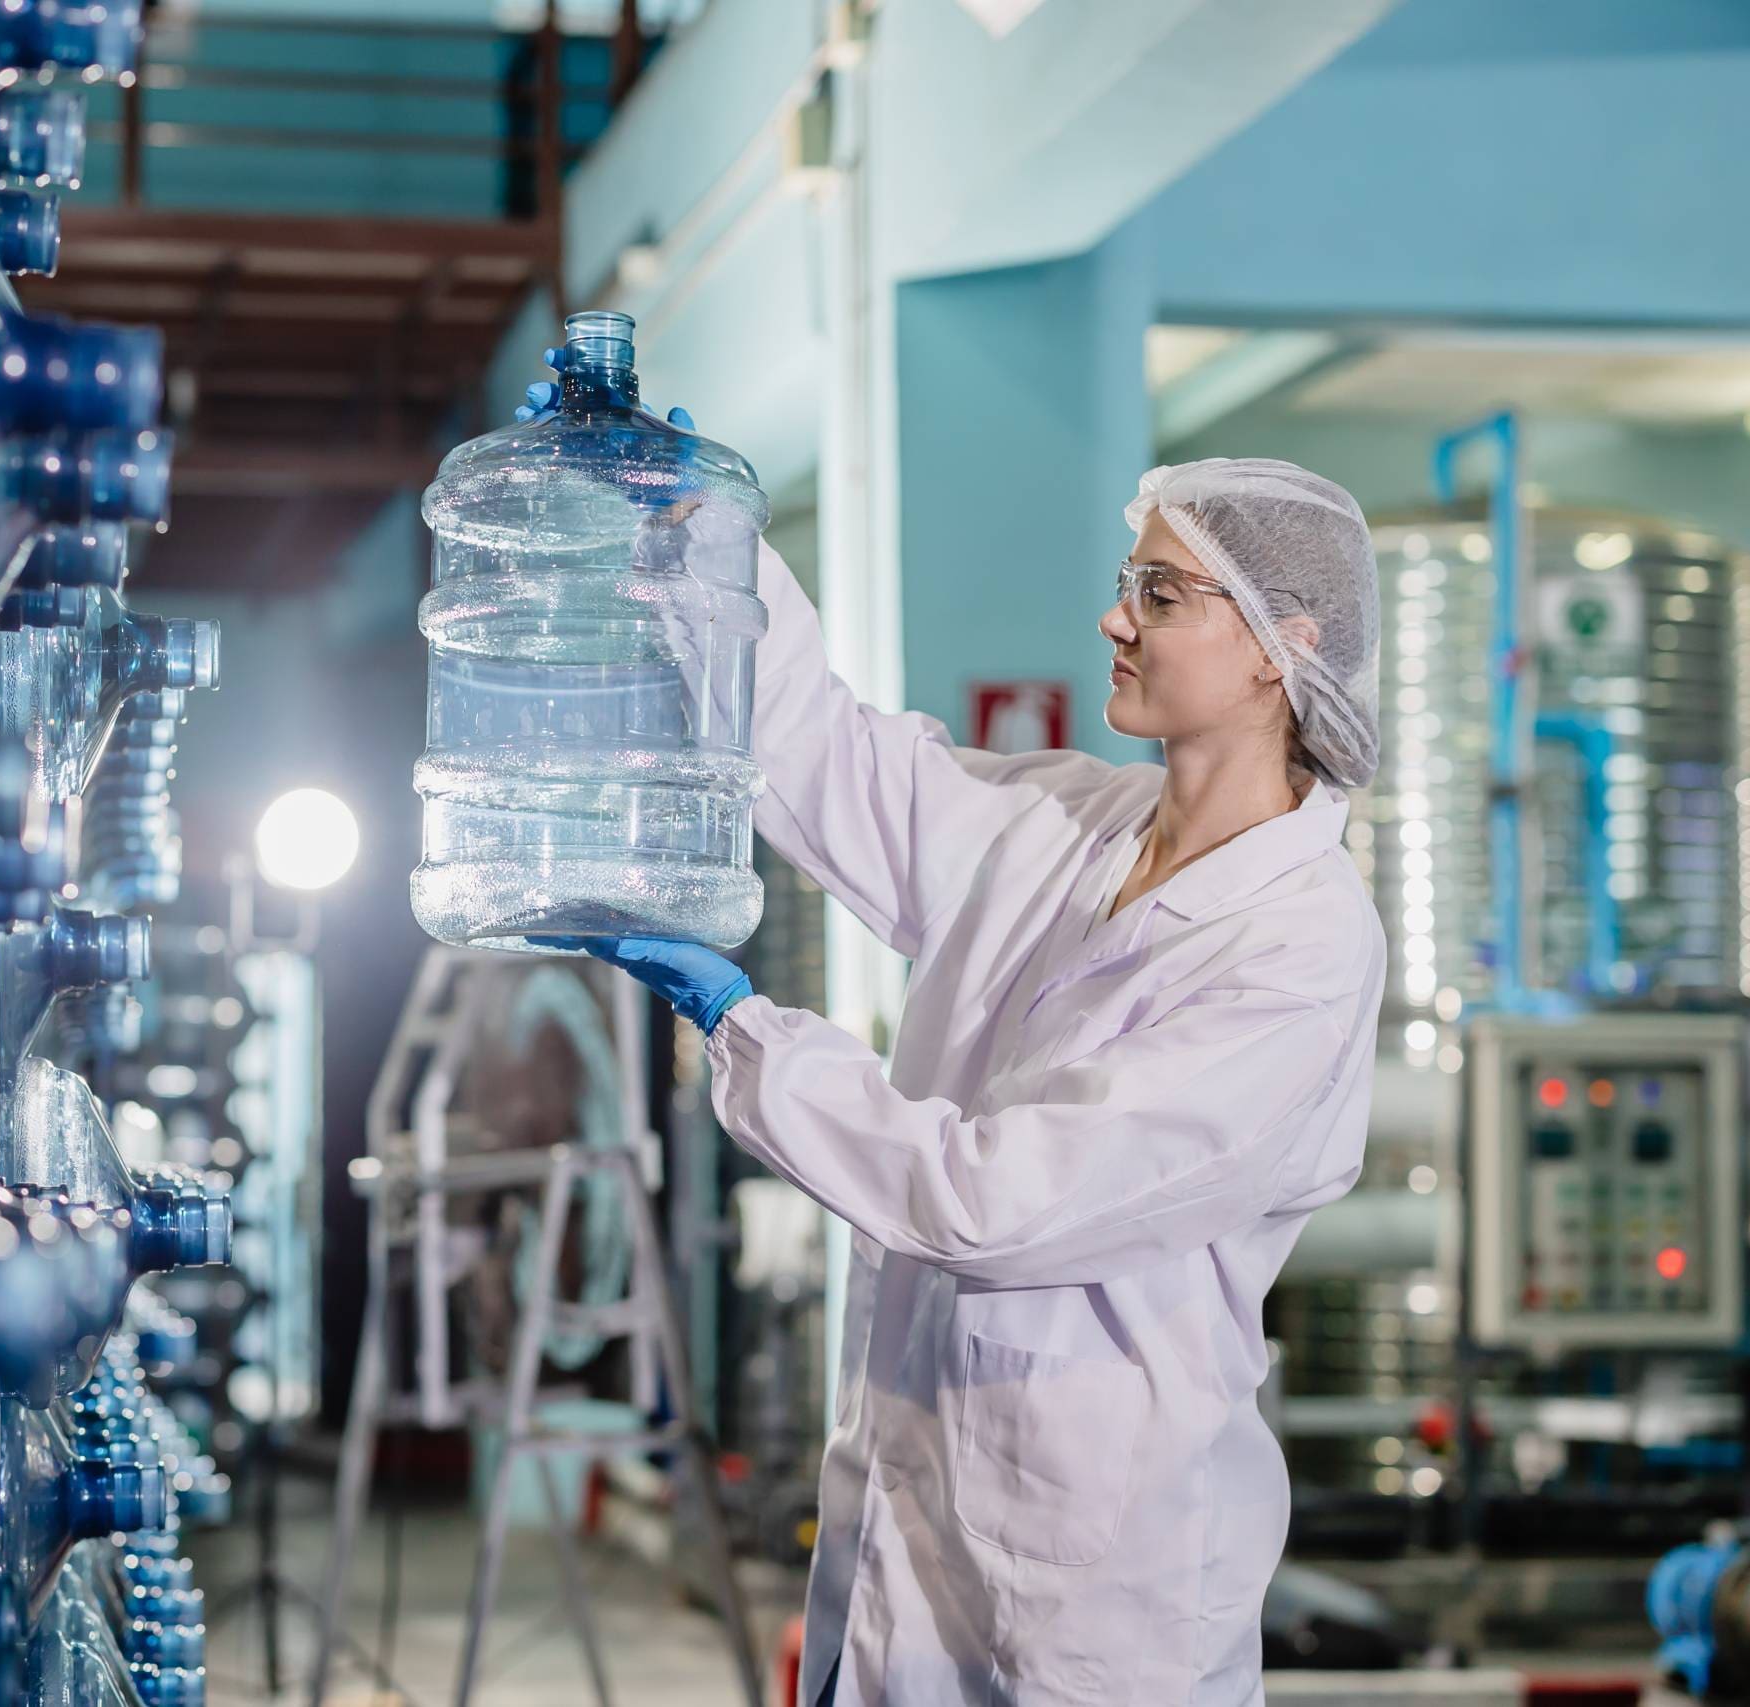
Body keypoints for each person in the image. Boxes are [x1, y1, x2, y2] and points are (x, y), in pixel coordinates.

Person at [524, 361, 1389, 1704]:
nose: (1115, 616)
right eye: (1130, 581)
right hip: (908, 1505)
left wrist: (742, 1022)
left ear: (1294, 645)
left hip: (1101, 1586)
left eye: (1161, 595)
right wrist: (695, 525)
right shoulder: (1063, 823)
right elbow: (821, 753)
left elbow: (998, 1202)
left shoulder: (1298, 949)